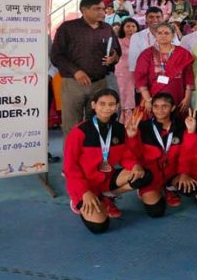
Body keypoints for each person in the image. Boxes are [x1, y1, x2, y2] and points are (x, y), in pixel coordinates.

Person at [63, 89, 152, 233]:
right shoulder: (79, 132)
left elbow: (125, 156)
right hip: (85, 184)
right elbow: (69, 167)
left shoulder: (118, 129)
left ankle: (108, 196)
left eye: (111, 104)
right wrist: (84, 192)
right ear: (93, 105)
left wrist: (134, 165)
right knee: (100, 227)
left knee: (143, 175)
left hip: (106, 179)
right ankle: (78, 201)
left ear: (117, 106)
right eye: (102, 104)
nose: (106, 108)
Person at [51, 0, 121, 135]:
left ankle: (94, 155)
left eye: (103, 9)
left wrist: (114, 57)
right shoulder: (68, 28)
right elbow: (56, 56)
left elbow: (117, 51)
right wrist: (76, 71)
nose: (102, 12)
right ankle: (72, 157)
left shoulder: (106, 28)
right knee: (72, 126)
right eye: (97, 9)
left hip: (100, 83)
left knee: (97, 123)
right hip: (74, 83)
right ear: (84, 10)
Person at [127, 93, 196, 215]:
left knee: (191, 189)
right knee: (156, 212)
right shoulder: (143, 127)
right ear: (151, 108)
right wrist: (132, 137)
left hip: (173, 172)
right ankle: (151, 189)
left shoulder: (182, 126)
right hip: (151, 175)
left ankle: (169, 186)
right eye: (156, 106)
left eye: (165, 106)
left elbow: (187, 153)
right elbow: (135, 154)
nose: (160, 110)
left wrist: (190, 132)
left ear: (173, 108)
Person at [135, 22, 195, 115]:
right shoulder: (146, 54)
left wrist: (187, 98)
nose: (163, 36)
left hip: (177, 95)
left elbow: (189, 77)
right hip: (153, 96)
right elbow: (140, 78)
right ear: (155, 35)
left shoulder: (183, 53)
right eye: (159, 33)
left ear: (173, 35)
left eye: (166, 33)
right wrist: (147, 99)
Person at [127, 7, 180, 73]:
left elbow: (177, 53)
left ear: (163, 18)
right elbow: (133, 61)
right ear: (146, 19)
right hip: (146, 74)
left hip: (168, 73)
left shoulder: (171, 34)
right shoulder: (136, 37)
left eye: (158, 17)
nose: (155, 20)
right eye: (151, 17)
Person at [115, 18, 139, 123]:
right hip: (122, 74)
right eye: (128, 26)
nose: (131, 29)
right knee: (123, 97)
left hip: (138, 73)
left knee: (136, 98)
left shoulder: (141, 42)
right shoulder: (118, 41)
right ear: (123, 28)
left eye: (133, 26)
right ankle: (123, 123)